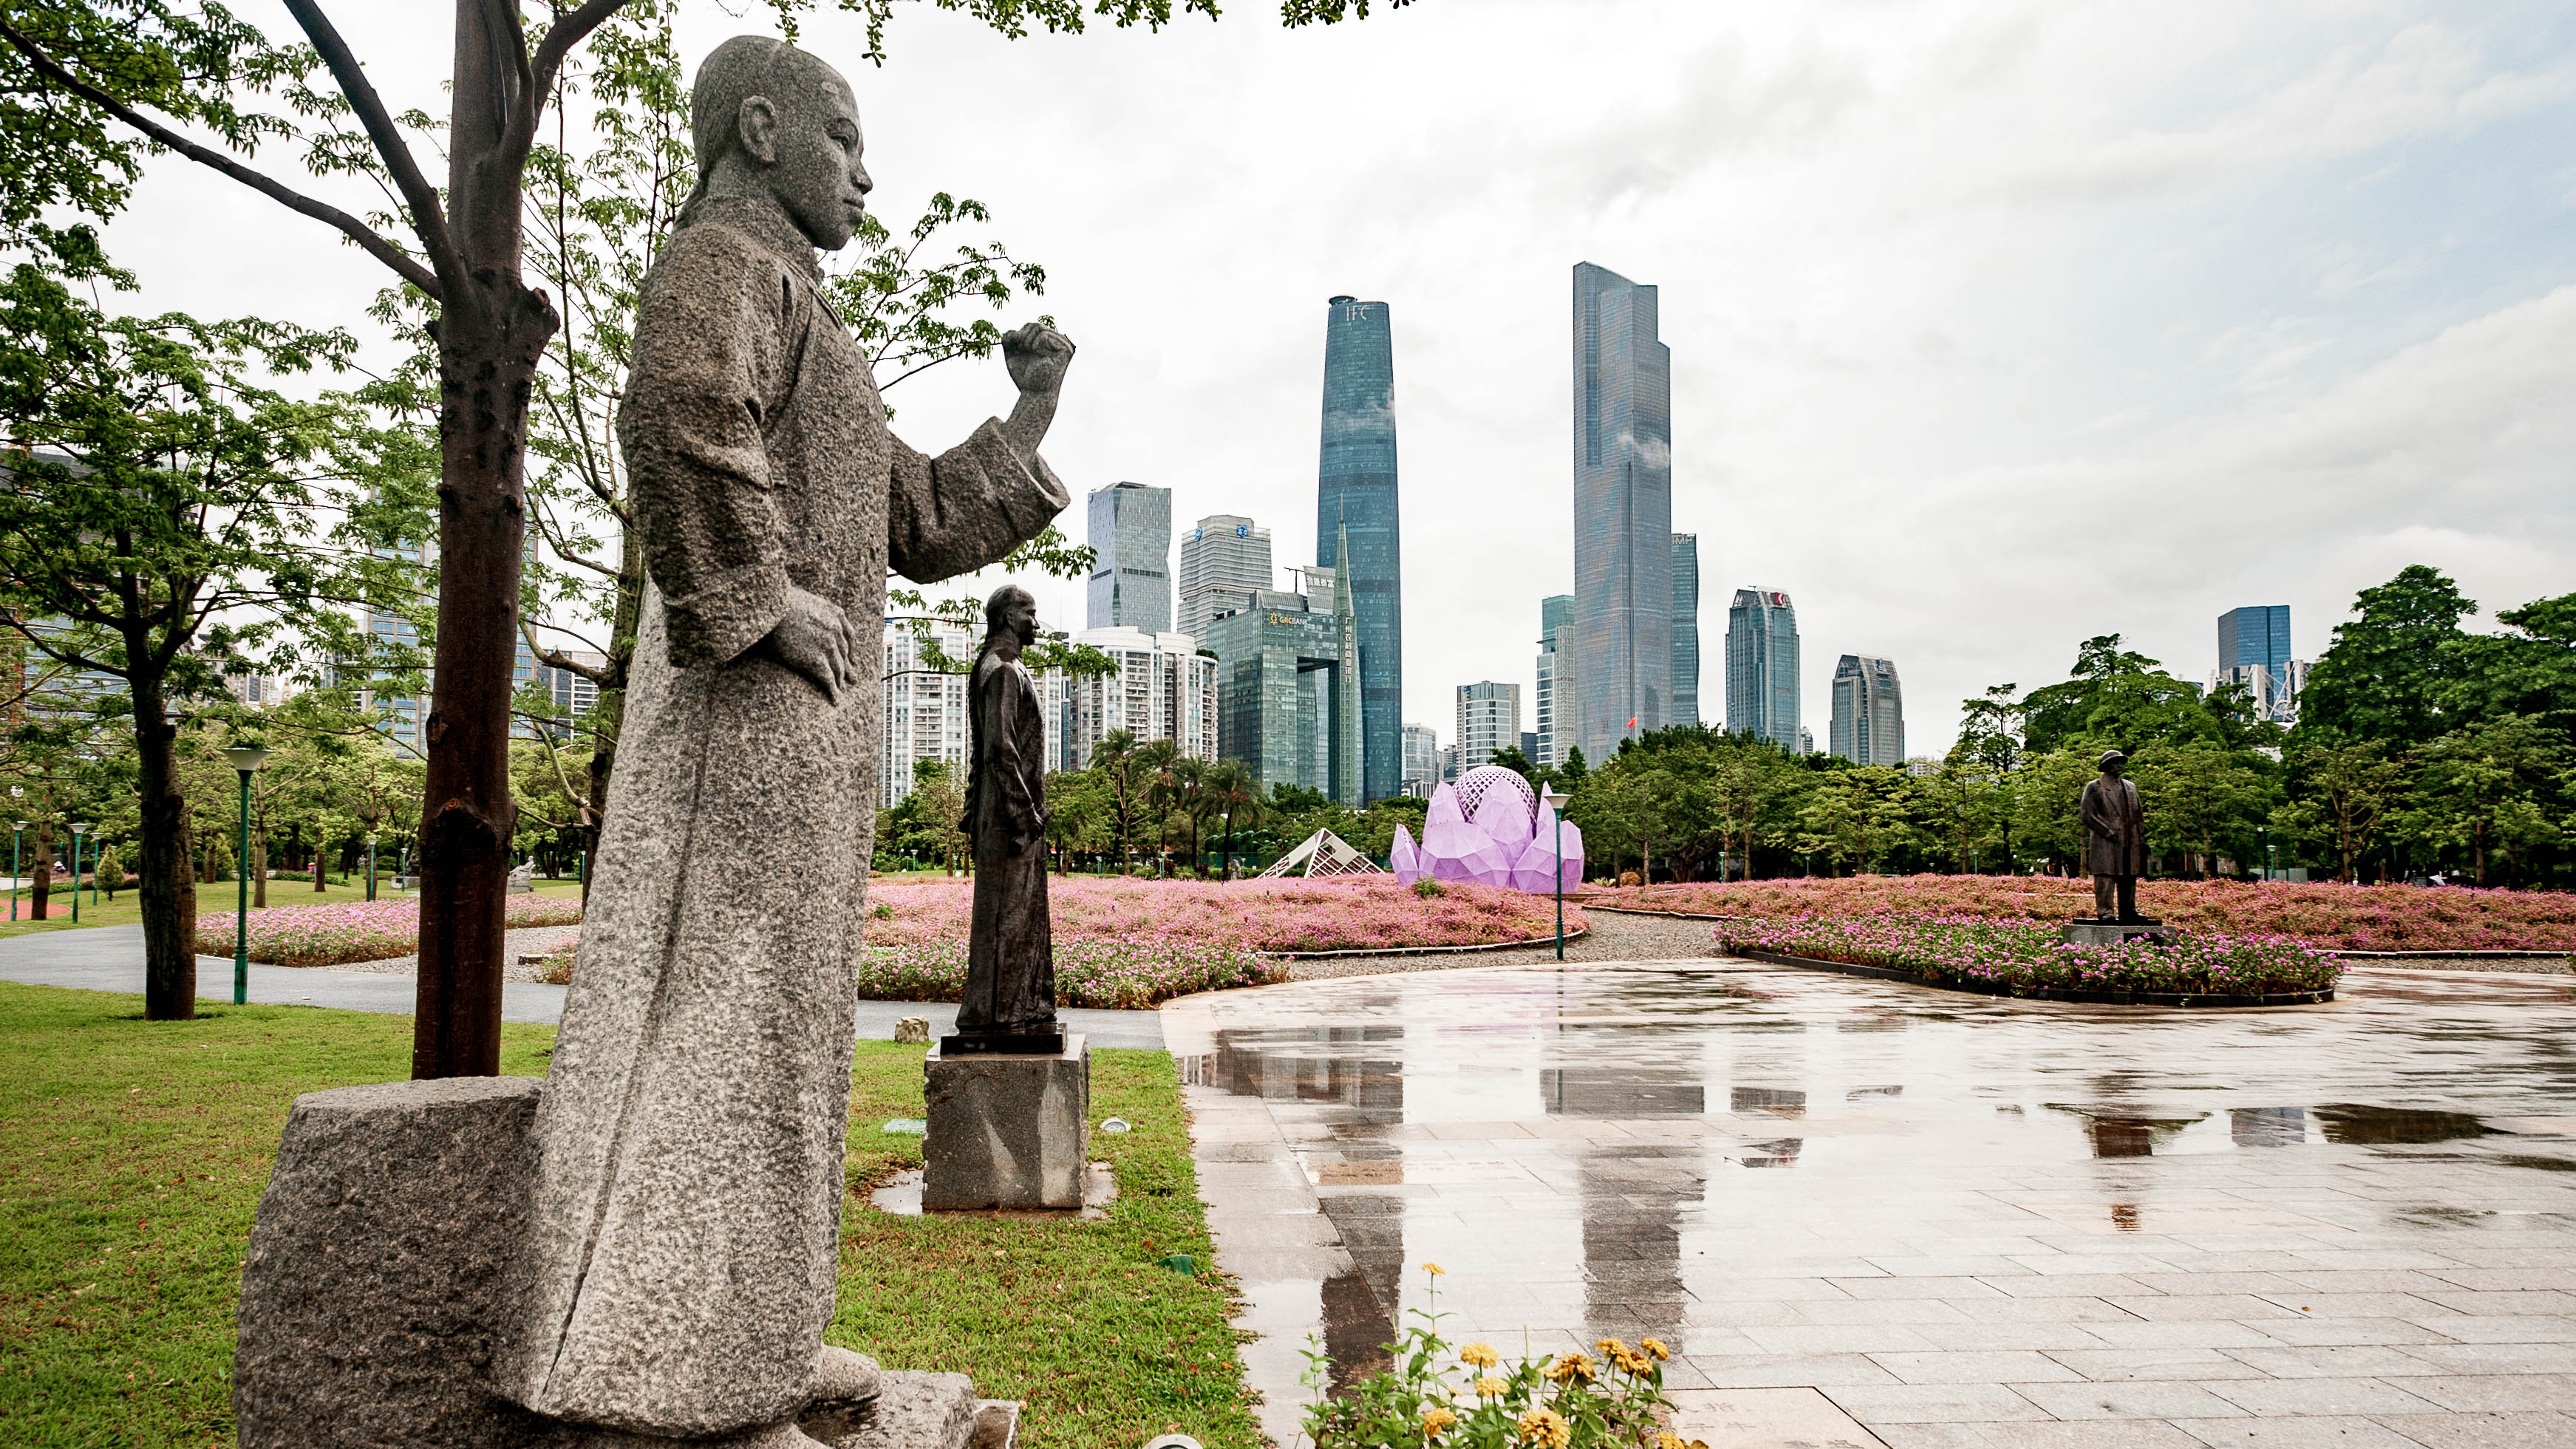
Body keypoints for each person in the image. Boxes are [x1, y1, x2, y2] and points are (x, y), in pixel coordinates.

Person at [502, 36, 1072, 1448]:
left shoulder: (815, 314)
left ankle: (753, 1331)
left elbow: (928, 518)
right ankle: (661, 1357)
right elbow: (675, 410)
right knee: (721, 1014)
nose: (866, 171)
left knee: (789, 1029)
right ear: (760, 128)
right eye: (842, 136)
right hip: (744, 719)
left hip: (801, 734)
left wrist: (1035, 410)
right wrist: (756, 602)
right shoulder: (719, 265)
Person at [953, 584, 1057, 1045]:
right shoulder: (1002, 672)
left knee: (1020, 919)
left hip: (1009, 815)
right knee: (1007, 921)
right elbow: (1000, 748)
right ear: (1009, 618)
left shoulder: (1004, 668)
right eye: (1030, 614)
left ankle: (1022, 1011)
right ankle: (998, 1019)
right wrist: (1025, 813)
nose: (1036, 622)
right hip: (1008, 819)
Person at [2079, 749, 2149, 922]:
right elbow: (2087, 814)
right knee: (2106, 876)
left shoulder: (2131, 787)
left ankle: (2129, 911)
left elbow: (2138, 814)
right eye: (2116, 763)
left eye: (2122, 763)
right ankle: (2106, 912)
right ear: (2106, 766)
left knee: (2129, 876)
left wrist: (2140, 836)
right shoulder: (2095, 786)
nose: (2120, 766)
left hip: (2130, 839)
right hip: (2106, 840)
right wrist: (2107, 831)